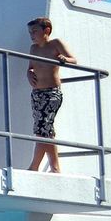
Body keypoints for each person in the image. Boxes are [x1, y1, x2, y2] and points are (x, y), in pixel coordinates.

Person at [27, 16, 77, 173]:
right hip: (37, 93)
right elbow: (30, 68)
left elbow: (74, 59)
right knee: (44, 129)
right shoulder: (33, 49)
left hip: (52, 93)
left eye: (35, 31)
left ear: (46, 30)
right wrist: (28, 74)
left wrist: (64, 59)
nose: (32, 35)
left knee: (43, 128)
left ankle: (35, 166)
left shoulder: (55, 44)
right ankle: (55, 167)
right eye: (30, 32)